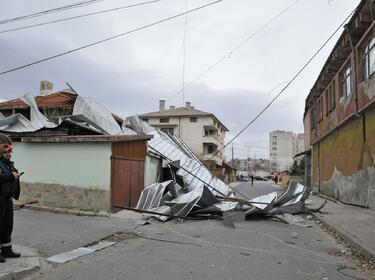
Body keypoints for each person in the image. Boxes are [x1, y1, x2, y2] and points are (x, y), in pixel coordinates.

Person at [0, 133, 22, 263]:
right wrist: (11, 177)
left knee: (8, 226)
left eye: (11, 151)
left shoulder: (7, 163)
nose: (9, 153)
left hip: (7, 200)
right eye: (7, 150)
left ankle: (7, 250)